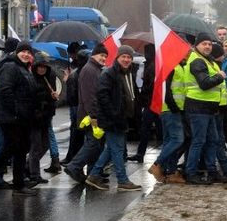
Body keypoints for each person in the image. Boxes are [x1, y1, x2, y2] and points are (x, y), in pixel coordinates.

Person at [86, 47, 143, 191]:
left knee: (110, 149)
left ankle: (93, 176)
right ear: (117, 57)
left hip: (122, 118)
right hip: (112, 119)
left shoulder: (128, 73)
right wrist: (113, 114)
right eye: (123, 56)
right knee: (117, 149)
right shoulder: (109, 73)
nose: (126, 59)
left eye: (129, 57)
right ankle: (123, 181)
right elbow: (102, 95)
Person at [0, 43, 38, 195]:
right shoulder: (11, 67)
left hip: (23, 118)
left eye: (28, 52)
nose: (26, 54)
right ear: (17, 53)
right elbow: (5, 91)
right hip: (13, 118)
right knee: (15, 149)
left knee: (20, 149)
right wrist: (17, 111)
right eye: (23, 52)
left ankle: (18, 183)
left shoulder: (24, 68)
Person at [183, 33, 227, 185]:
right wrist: (220, 76)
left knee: (212, 140)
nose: (208, 46)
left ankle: (212, 171)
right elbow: (204, 83)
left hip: (208, 108)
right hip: (198, 107)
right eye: (204, 44)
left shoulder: (208, 61)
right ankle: (191, 173)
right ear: (197, 46)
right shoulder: (197, 61)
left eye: (209, 44)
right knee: (199, 141)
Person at [64, 45, 109, 182]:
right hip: (90, 116)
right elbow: (89, 96)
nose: (103, 58)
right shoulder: (90, 70)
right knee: (93, 144)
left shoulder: (94, 69)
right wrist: (94, 116)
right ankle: (74, 166)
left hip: (92, 114)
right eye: (101, 55)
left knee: (96, 145)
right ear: (93, 55)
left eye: (105, 56)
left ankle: (92, 173)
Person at [27, 52, 60, 184]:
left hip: (46, 118)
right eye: (39, 67)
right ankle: (34, 174)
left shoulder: (49, 78)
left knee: (45, 145)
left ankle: (28, 166)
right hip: (35, 119)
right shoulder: (31, 79)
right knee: (36, 147)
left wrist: (53, 98)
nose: (42, 69)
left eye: (44, 67)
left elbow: (51, 100)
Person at [131, 44, 160, 163]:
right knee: (150, 129)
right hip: (151, 102)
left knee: (147, 128)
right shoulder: (150, 63)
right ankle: (140, 154)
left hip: (151, 102)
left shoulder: (152, 65)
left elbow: (151, 85)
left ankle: (140, 154)